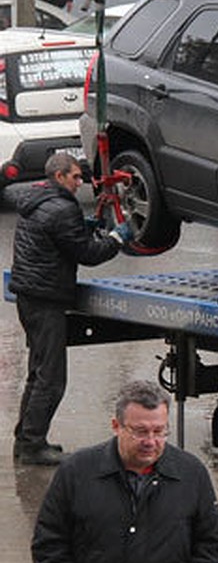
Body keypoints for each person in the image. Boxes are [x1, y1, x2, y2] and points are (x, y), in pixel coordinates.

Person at [31, 380, 218, 563]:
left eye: (159, 431)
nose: (150, 441)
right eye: (140, 431)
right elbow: (49, 543)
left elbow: (211, 542)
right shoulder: (76, 472)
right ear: (116, 426)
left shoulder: (191, 474)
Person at [11, 152, 133, 466]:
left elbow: (63, 237)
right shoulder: (62, 208)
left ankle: (25, 439)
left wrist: (84, 225)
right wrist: (117, 238)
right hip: (46, 298)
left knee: (38, 373)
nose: (80, 183)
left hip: (29, 296)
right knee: (51, 378)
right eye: (76, 177)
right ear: (60, 176)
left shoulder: (35, 199)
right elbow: (88, 253)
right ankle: (32, 446)